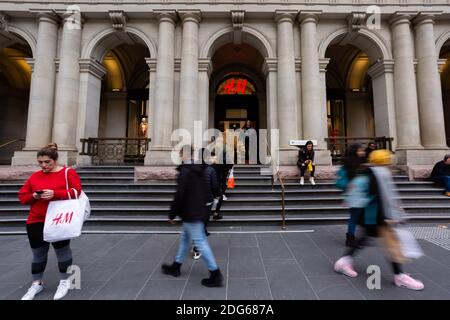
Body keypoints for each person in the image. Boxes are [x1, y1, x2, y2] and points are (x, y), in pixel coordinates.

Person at [334, 150, 425, 291]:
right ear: (384, 161)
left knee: (366, 238)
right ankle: (399, 276)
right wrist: (387, 217)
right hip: (376, 216)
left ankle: (344, 261)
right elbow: (378, 198)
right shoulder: (378, 174)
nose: (390, 163)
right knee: (392, 245)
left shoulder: (372, 172)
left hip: (372, 216)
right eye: (388, 160)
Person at [18, 143, 82, 300]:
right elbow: (22, 197)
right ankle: (36, 284)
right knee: (38, 253)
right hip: (36, 219)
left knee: (62, 250)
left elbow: (76, 192)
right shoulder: (35, 176)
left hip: (58, 219)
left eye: (47, 162)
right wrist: (34, 196)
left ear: (55, 160)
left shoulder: (68, 173)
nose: (43, 165)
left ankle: (65, 281)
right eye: (40, 162)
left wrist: (55, 194)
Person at [162, 145, 224, 287]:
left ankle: (215, 274)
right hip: (196, 210)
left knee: (200, 243)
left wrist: (172, 213)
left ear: (184, 154)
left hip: (192, 212)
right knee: (185, 239)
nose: (179, 156)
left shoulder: (186, 170)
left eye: (180, 153)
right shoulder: (198, 169)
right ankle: (176, 266)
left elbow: (180, 194)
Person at [336, 144, 367, 247]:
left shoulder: (358, 163)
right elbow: (341, 181)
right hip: (355, 195)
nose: (363, 152)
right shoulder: (349, 165)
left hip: (361, 195)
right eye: (360, 150)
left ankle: (354, 237)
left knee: (358, 217)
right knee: (355, 217)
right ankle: (351, 238)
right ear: (355, 152)